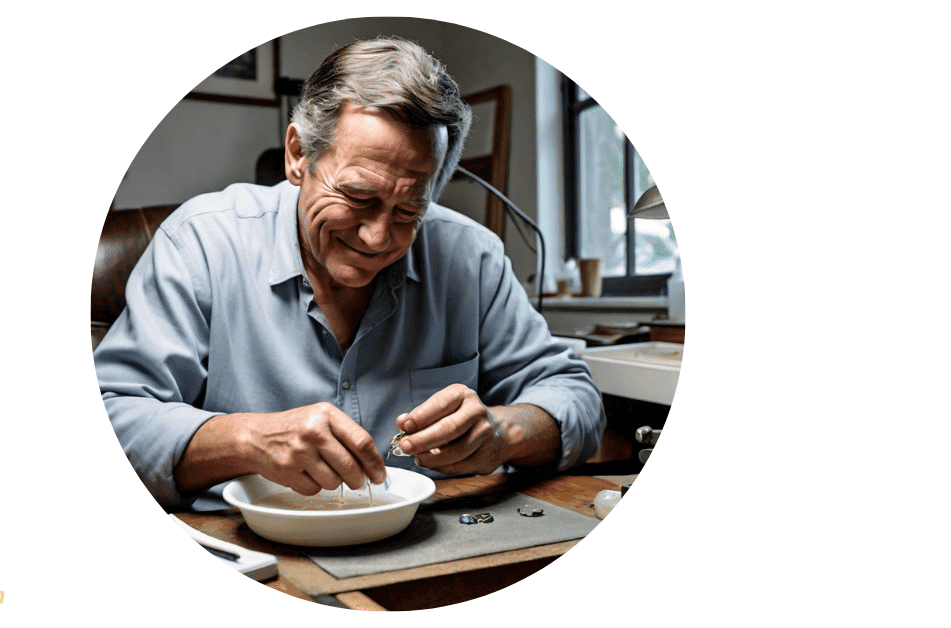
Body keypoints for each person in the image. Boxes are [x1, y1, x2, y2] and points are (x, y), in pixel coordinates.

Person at [94, 37, 604, 511]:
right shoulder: (200, 243)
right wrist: (251, 440)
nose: (378, 238)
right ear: (298, 155)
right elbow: (113, 420)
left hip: (430, 544)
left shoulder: (471, 257)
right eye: (358, 197)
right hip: (250, 553)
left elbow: (574, 395)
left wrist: (501, 433)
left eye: (408, 211)